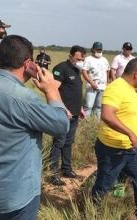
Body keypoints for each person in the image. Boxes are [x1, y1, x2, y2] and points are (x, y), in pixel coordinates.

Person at [0, 35, 69, 220]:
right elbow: (61, 124)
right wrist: (51, 90)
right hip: (15, 194)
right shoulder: (24, 98)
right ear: (27, 63)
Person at [91, 58, 137, 220]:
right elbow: (107, 115)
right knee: (104, 185)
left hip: (132, 149)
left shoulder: (131, 89)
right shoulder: (116, 88)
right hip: (113, 149)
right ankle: (92, 212)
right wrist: (130, 133)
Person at [49, 45, 86, 186]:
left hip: (75, 113)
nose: (79, 61)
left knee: (68, 142)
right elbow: (53, 90)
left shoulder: (77, 70)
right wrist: (64, 109)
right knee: (59, 142)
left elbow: (75, 90)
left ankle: (66, 169)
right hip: (63, 114)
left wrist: (80, 108)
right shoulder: (61, 68)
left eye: (81, 59)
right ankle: (53, 174)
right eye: (77, 58)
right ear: (70, 56)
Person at [82, 41, 110, 119]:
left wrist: (107, 81)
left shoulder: (104, 59)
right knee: (88, 106)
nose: (99, 51)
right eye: (97, 49)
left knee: (98, 107)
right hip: (92, 86)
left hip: (102, 87)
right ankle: (85, 122)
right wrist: (91, 83)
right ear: (93, 50)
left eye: (100, 50)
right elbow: (84, 72)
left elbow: (108, 70)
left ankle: (95, 123)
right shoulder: (88, 59)